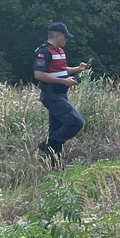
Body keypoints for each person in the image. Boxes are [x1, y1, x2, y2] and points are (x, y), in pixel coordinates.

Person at [33, 22, 88, 163]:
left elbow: (62, 70)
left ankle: (53, 162)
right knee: (75, 122)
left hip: (61, 94)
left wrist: (78, 69)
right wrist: (64, 81)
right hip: (51, 95)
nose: (66, 39)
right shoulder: (43, 52)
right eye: (65, 36)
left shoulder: (60, 51)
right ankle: (48, 144)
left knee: (56, 127)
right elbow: (39, 74)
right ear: (57, 36)